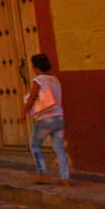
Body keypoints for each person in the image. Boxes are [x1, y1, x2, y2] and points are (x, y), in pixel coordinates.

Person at [20, 53, 69, 185]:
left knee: (35, 144)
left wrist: (23, 112)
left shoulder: (39, 80)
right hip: (59, 117)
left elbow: (32, 98)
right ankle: (65, 178)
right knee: (59, 147)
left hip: (45, 119)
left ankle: (42, 174)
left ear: (35, 67)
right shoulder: (55, 80)